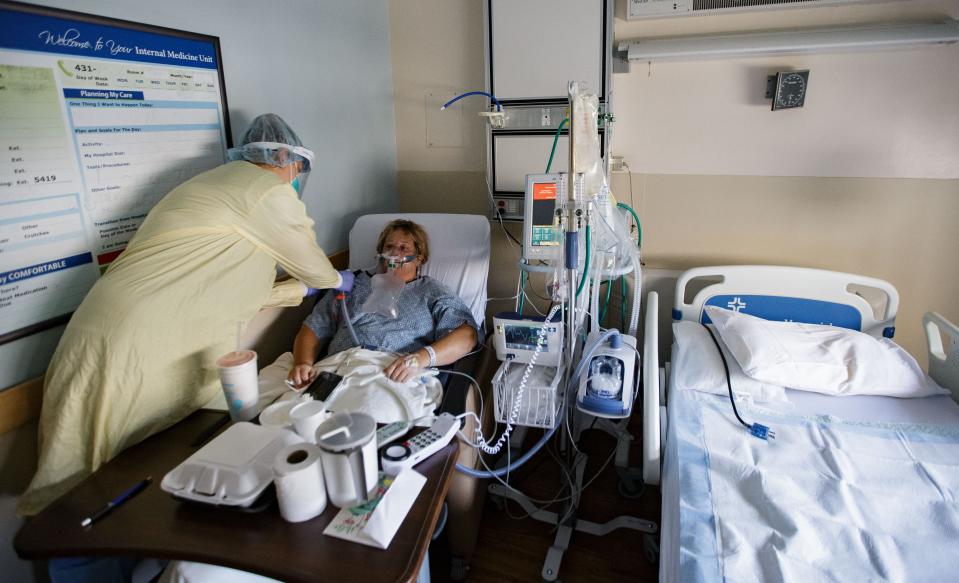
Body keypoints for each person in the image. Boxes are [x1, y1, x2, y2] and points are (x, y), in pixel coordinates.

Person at [18, 114, 353, 520]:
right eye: (297, 169)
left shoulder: (217, 189)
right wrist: (335, 279)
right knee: (79, 492)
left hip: (134, 333)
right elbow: (318, 270)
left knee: (128, 471)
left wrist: (302, 290)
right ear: (283, 156)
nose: (296, 179)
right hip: (127, 339)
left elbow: (239, 287)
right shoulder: (263, 191)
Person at [287, 219, 478, 388]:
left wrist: (419, 359)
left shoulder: (432, 291)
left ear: (420, 258)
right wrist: (302, 363)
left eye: (404, 248)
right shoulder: (351, 283)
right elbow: (314, 327)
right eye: (389, 247)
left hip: (392, 371)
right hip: (338, 368)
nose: (394, 253)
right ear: (380, 253)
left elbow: (466, 335)